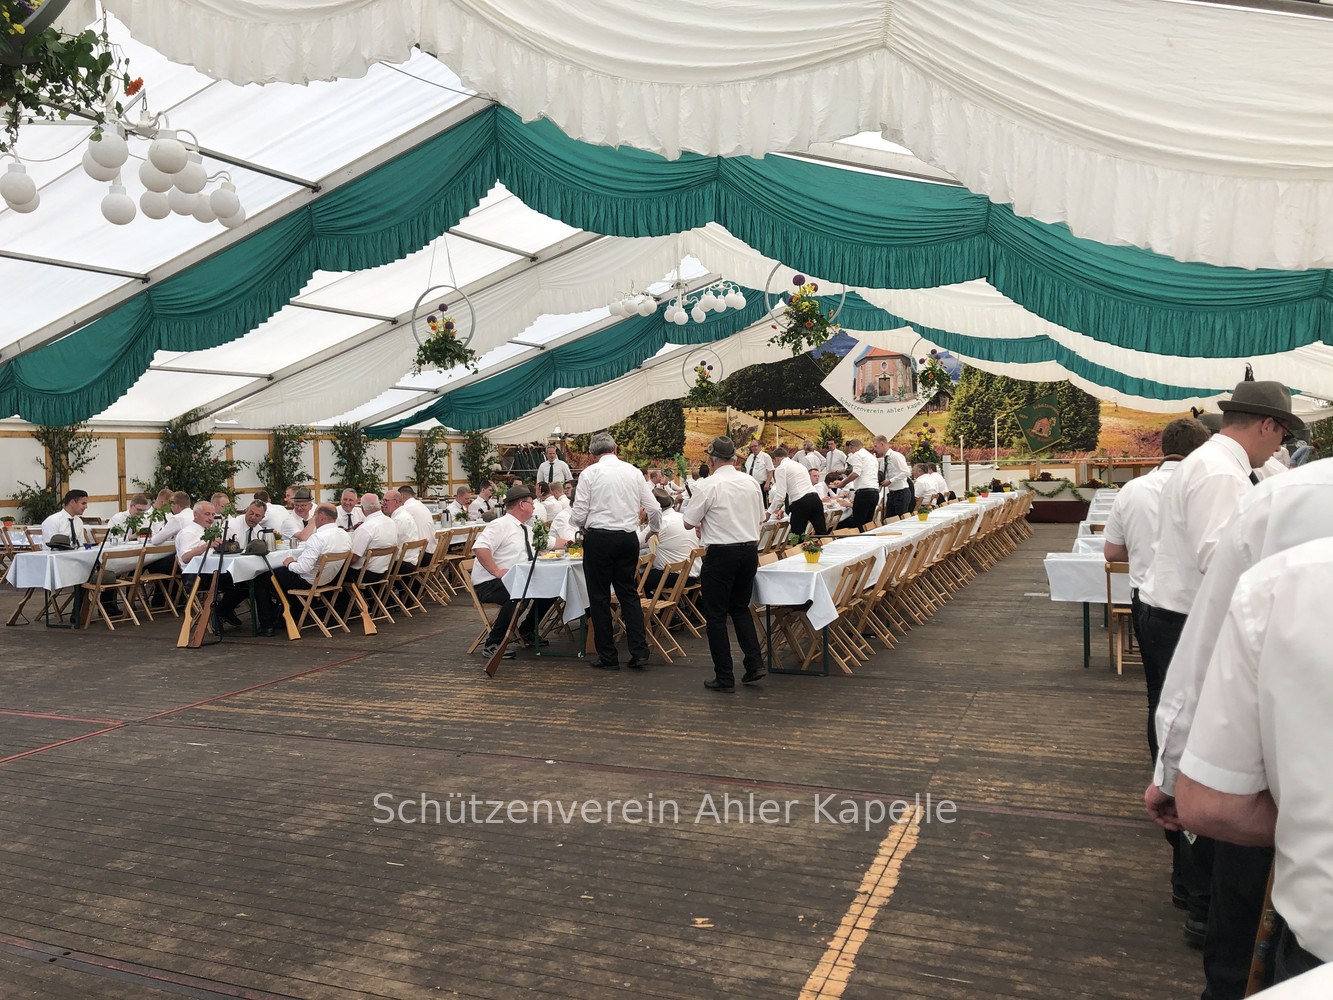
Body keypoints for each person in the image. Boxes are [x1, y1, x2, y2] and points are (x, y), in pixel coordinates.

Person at [1145, 457, 1333, 996]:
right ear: (1269, 426)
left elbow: (1199, 666)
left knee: (1238, 935)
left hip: (1316, 915)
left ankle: (1197, 902)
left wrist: (1172, 773)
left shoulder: (1282, 511)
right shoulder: (1249, 487)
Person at [1137, 379, 1301, 962]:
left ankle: (1195, 886)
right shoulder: (1220, 473)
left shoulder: (1215, 464)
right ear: (1268, 426)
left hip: (1172, 611)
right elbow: (1223, 560)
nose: (1277, 448)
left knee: (1183, 740)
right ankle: (1202, 893)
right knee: (1202, 752)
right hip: (1184, 619)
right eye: (1280, 435)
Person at [571, 431, 661, 671]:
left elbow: (579, 514)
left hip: (599, 538)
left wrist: (581, 525)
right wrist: (654, 529)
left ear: (592, 455)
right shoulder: (633, 472)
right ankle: (639, 652)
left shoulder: (589, 473)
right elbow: (654, 508)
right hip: (627, 538)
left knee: (599, 597)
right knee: (628, 594)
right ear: (616, 449)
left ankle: (608, 656)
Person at [681, 436, 765, 692]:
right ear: (735, 459)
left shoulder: (708, 484)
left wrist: (704, 525)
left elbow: (688, 522)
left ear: (711, 460)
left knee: (716, 616)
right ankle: (754, 663)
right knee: (740, 608)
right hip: (749, 550)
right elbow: (761, 517)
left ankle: (725, 676)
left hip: (721, 553)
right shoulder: (750, 482)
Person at [470, 485, 555, 658]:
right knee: (517, 594)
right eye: (531, 503)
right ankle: (493, 644)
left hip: (514, 580)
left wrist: (575, 543)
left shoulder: (524, 528)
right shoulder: (500, 525)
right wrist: (496, 571)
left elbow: (550, 542)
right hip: (488, 584)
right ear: (522, 505)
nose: (534, 507)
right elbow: (480, 548)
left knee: (550, 590)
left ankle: (526, 630)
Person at [271, 503, 353, 594]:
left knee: (267, 577)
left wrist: (290, 563)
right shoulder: (345, 535)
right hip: (330, 580)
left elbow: (304, 568)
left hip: (310, 582)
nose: (313, 519)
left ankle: (285, 603)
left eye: (314, 515)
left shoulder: (318, 537)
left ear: (321, 516)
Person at [641, 488, 701, 594]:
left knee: (634, 581)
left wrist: (638, 520)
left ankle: (651, 604)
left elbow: (636, 544)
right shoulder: (682, 517)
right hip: (693, 573)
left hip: (675, 576)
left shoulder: (661, 522)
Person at [765, 446, 826, 537]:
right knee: (822, 533)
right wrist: (783, 509)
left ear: (776, 459)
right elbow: (797, 491)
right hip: (815, 499)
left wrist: (769, 512)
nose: (775, 465)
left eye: (774, 462)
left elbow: (781, 495)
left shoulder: (781, 468)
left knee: (797, 537)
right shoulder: (800, 465)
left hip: (801, 503)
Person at [349, 494, 398, 582]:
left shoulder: (366, 528)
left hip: (364, 574)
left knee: (336, 572)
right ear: (379, 505)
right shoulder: (391, 522)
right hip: (384, 572)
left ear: (362, 509)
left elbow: (354, 558)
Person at [836, 438, 879, 530]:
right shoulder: (872, 457)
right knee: (868, 524)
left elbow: (856, 473)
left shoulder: (858, 454)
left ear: (854, 447)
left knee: (858, 523)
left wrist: (843, 483)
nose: (851, 453)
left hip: (864, 492)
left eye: (851, 450)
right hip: (874, 491)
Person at [381, 489, 423, 567]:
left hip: (403, 564)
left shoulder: (398, 519)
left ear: (396, 502)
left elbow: (389, 545)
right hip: (410, 561)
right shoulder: (403, 514)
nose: (383, 504)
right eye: (382, 500)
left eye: (386, 501)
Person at [398, 485, 439, 564]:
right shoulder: (422, 505)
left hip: (421, 556)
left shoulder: (405, 509)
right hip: (433, 553)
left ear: (402, 496)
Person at [874, 435, 912, 518]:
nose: (875, 449)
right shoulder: (883, 459)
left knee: (900, 518)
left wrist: (891, 480)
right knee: (889, 518)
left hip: (901, 492)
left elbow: (906, 472)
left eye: (876, 446)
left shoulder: (895, 456)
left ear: (882, 444)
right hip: (892, 493)